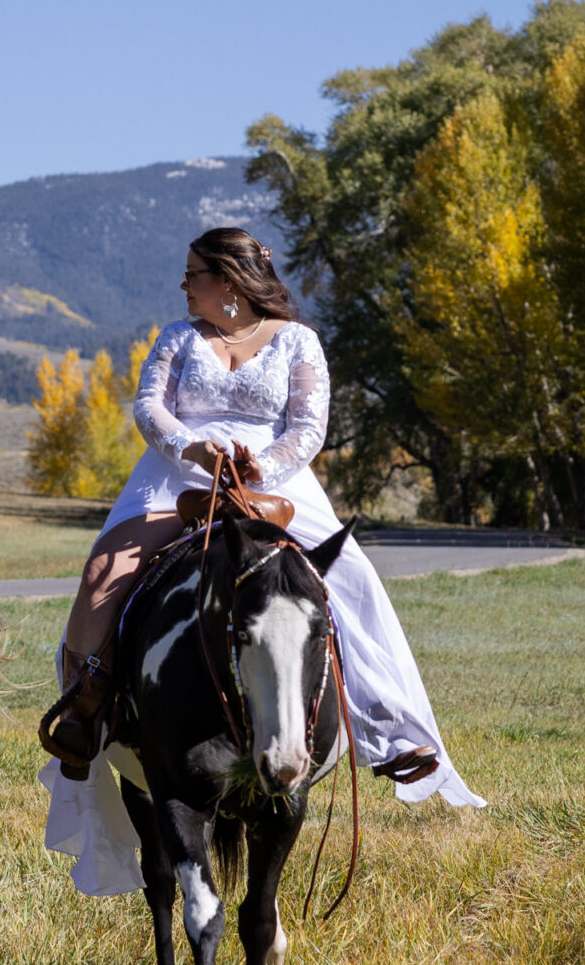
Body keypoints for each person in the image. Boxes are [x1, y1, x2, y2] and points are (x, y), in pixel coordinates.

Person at [38, 226, 483, 893]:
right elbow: (149, 409)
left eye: (194, 274)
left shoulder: (297, 342)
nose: (184, 285)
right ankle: (89, 702)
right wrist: (195, 450)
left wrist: (261, 465)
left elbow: (307, 427)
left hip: (274, 479)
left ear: (231, 280)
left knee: (350, 575)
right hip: (175, 474)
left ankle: (385, 725)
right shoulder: (178, 337)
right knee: (106, 568)